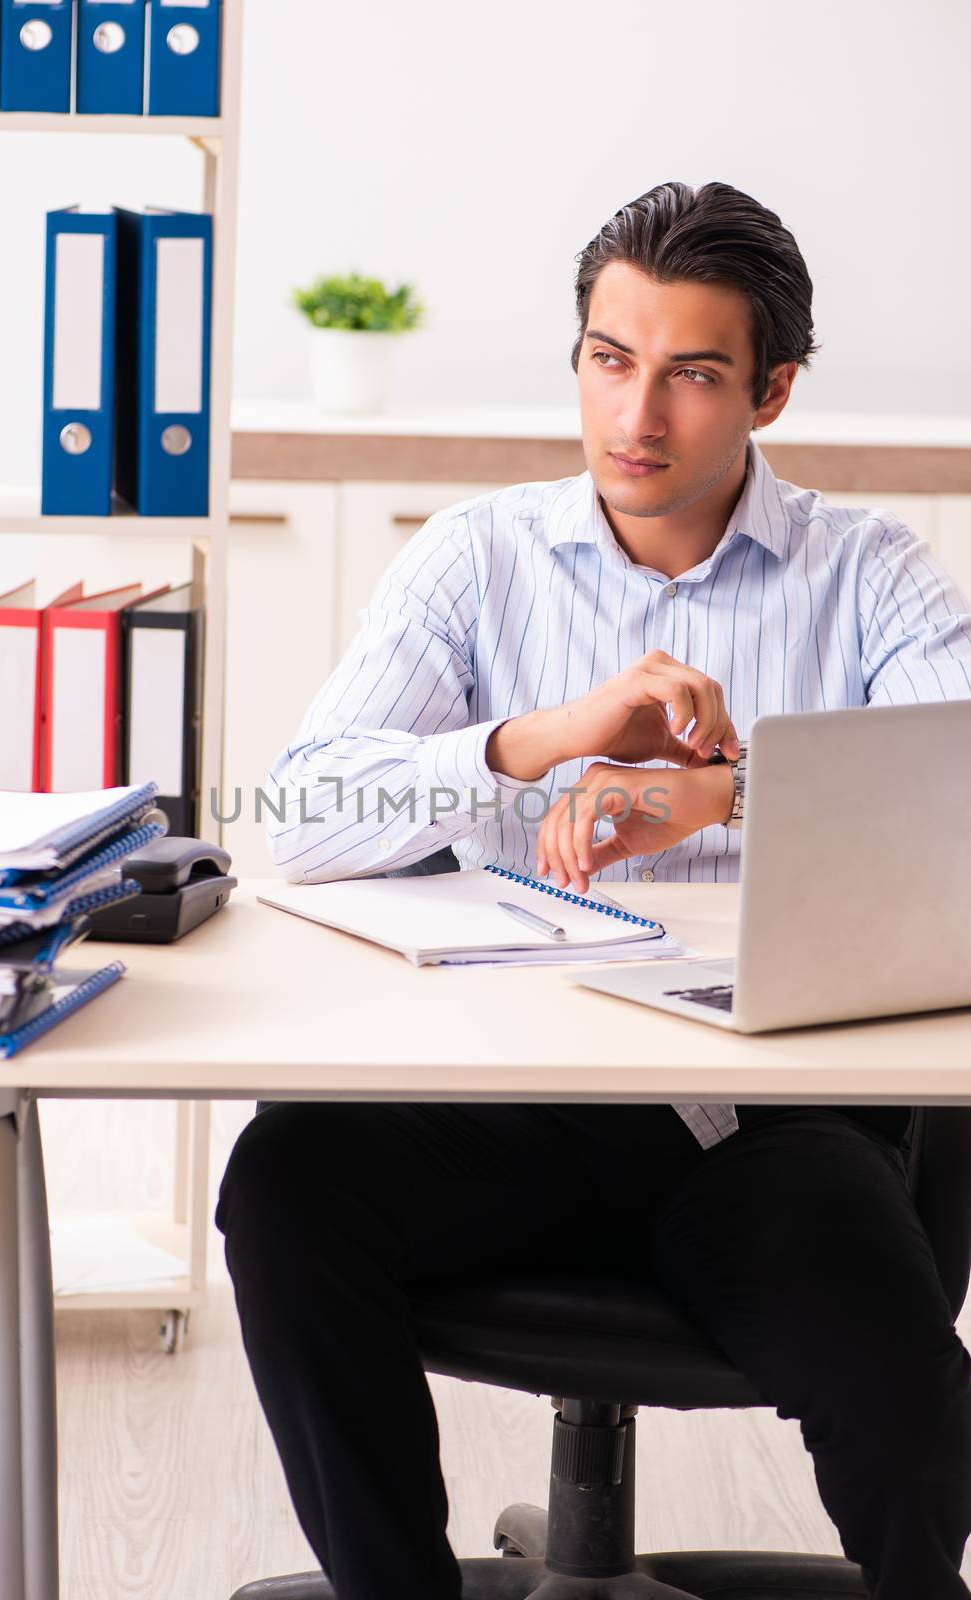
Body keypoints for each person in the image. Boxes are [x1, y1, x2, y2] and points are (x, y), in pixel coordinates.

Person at [216, 181, 971, 1600]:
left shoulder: (870, 576)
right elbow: (306, 813)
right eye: (611, 361)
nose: (639, 417)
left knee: (904, 1388)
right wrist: (548, 735)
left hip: (759, 1132)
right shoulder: (477, 557)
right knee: (286, 1190)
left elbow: (963, 804)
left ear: (772, 390)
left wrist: (713, 794)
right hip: (495, 1104)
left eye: (692, 374)